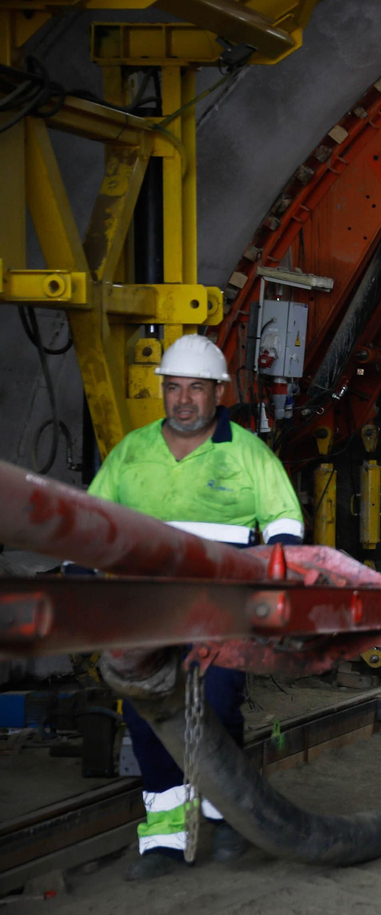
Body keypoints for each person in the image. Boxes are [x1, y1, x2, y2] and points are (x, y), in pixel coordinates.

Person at [86, 334, 304, 880]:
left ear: (218, 393)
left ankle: (225, 817)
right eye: (174, 388)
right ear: (163, 391)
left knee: (219, 705)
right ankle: (164, 838)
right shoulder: (132, 451)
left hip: (220, 608)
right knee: (148, 715)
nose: (183, 400)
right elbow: (92, 519)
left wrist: (276, 580)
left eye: (196, 389)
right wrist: (79, 574)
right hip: (146, 608)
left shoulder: (247, 453)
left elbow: (284, 521)